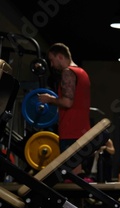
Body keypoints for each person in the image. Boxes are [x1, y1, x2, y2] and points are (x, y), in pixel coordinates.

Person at [38, 43, 91, 177]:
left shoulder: (68, 72)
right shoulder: (82, 73)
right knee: (77, 178)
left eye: (52, 60)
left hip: (71, 133)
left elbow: (67, 102)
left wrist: (49, 99)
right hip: (82, 132)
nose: (51, 64)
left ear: (60, 56)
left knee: (70, 179)